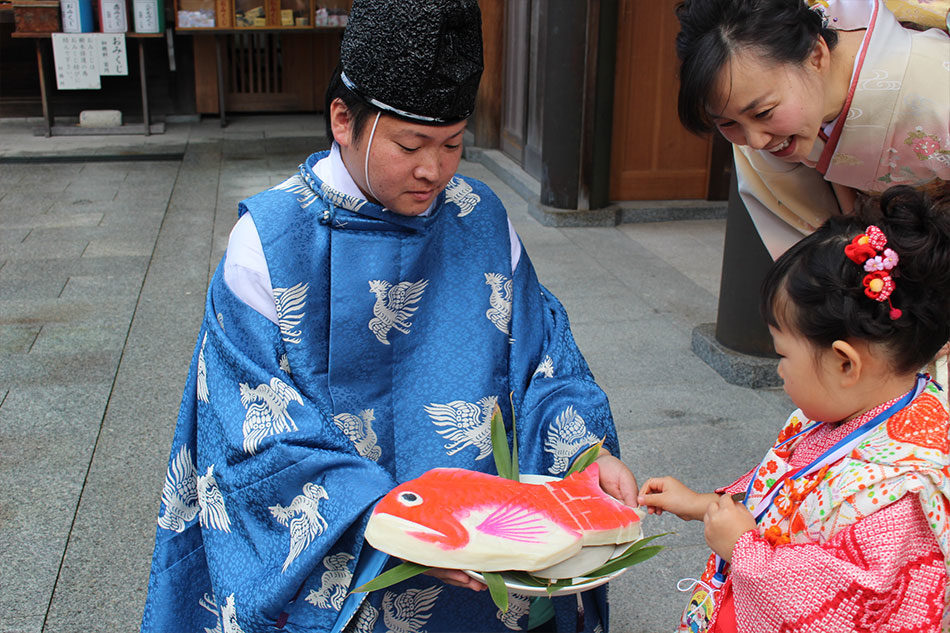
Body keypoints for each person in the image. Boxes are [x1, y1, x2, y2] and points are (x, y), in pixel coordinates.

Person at [140, 1, 637, 632]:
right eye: (410, 145)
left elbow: (541, 363)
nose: (434, 170)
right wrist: (397, 520)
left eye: (453, 144)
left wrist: (582, 454)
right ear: (343, 121)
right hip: (355, 549)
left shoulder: (478, 217)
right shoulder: (269, 243)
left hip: (480, 553)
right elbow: (255, 437)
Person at [638, 186, 950, 632]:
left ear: (845, 362)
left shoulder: (901, 493)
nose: (780, 371)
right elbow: (782, 499)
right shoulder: (858, 406)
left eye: (782, 354)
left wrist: (745, 549)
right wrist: (702, 504)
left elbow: (849, 610)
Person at [675, 0, 949, 260]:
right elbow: (810, 248)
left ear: (816, 55)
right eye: (727, 123)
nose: (755, 141)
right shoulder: (758, 128)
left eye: (763, 112)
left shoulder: (936, 92)